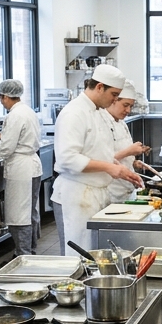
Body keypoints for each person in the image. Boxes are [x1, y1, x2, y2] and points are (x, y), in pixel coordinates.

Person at [53, 64, 143, 252]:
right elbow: (67, 158)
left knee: (96, 253)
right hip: (78, 194)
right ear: (100, 87)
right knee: (80, 253)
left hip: (96, 193)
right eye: (114, 95)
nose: (114, 100)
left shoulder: (98, 112)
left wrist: (121, 169)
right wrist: (109, 168)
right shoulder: (74, 112)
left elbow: (100, 150)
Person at [0, 79, 43, 256]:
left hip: (21, 169)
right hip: (32, 166)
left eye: (1, 98)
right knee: (29, 212)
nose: (1, 101)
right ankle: (29, 251)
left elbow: (7, 147)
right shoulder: (27, 111)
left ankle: (23, 255)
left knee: (19, 215)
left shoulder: (14, 115)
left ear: (6, 96)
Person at [106, 80, 153, 202]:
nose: (128, 110)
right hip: (111, 189)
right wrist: (129, 151)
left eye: (131, 106)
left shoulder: (122, 123)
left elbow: (120, 154)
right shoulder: (101, 123)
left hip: (126, 187)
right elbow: (101, 160)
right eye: (125, 105)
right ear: (113, 100)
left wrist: (134, 162)